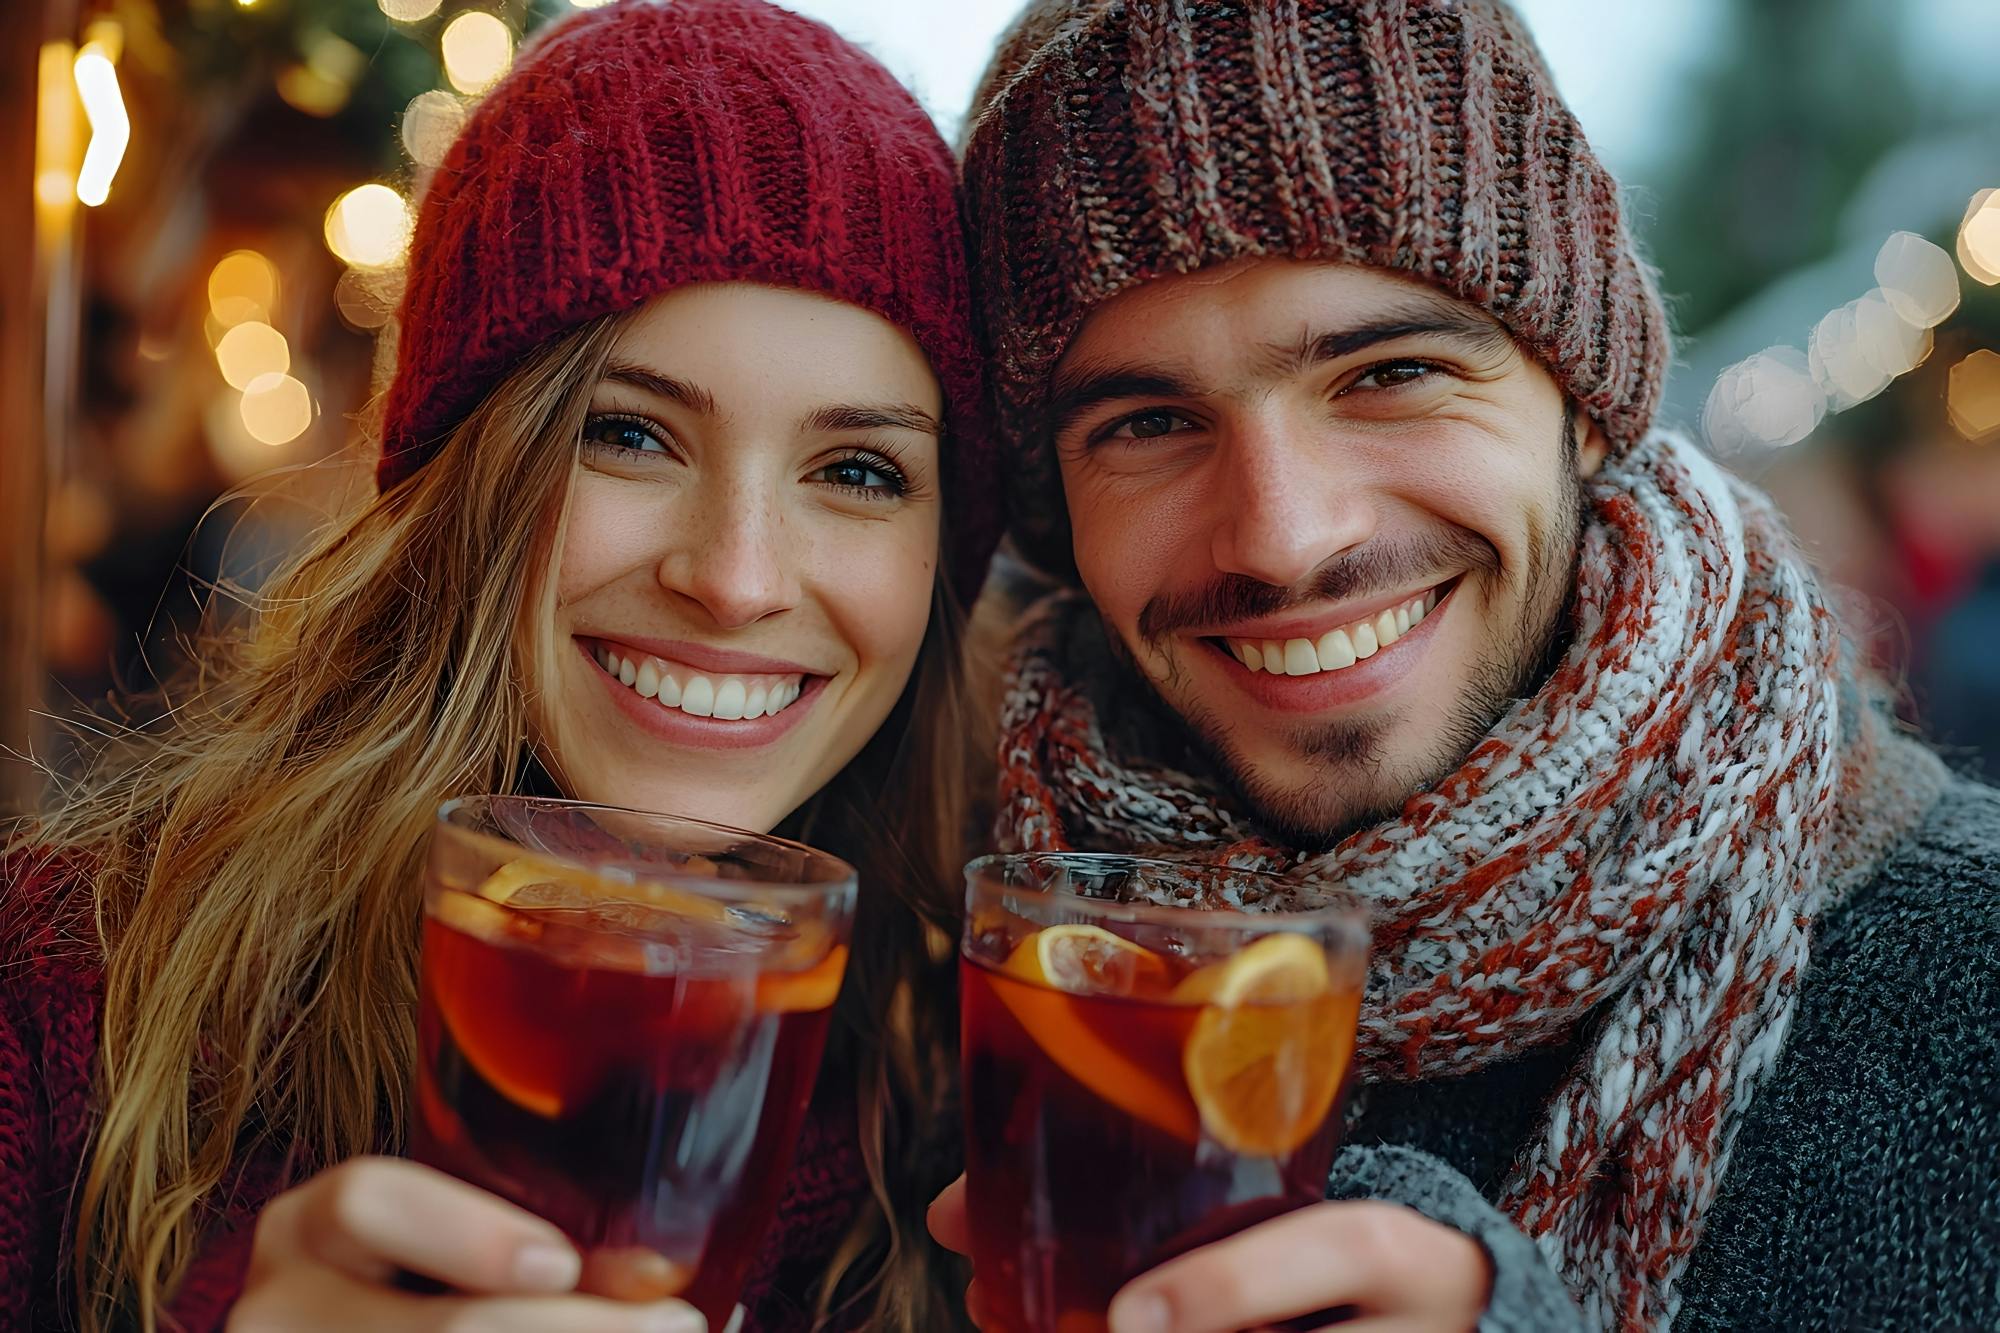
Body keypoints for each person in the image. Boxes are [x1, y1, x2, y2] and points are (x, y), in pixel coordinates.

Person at [931, 1, 2000, 1330]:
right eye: (1149, 421)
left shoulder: (1969, 981)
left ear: (1583, 402)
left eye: (1389, 373)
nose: (1282, 536)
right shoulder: (946, 955)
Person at [0, 2, 999, 1330]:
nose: (739, 575)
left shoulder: (988, 1115)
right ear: (467, 475)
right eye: (632, 434)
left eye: (858, 470)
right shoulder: (65, 998)